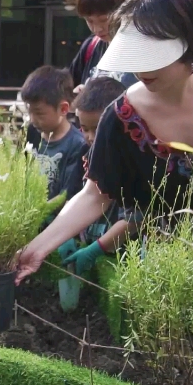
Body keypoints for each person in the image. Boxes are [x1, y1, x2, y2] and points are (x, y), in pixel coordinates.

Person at [16, 0, 193, 284]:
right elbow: (96, 194)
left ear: (189, 41)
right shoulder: (121, 118)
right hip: (171, 278)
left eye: (152, 57)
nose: (140, 71)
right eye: (134, 57)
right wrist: (37, 248)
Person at [59, 77, 134, 274]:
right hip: (89, 245)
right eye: (84, 129)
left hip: (123, 259)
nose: (91, 137)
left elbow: (135, 219)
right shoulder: (86, 152)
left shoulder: (134, 160)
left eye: (98, 129)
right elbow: (74, 197)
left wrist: (96, 249)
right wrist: (64, 234)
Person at [21, 66, 89, 204]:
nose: (33, 119)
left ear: (63, 109)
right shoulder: (33, 132)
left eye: (39, 113)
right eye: (30, 112)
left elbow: (68, 195)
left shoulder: (77, 145)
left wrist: (35, 213)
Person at [69, 0, 138, 91]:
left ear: (125, 10)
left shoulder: (144, 48)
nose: (97, 29)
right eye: (89, 21)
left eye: (104, 20)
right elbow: (67, 92)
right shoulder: (91, 46)